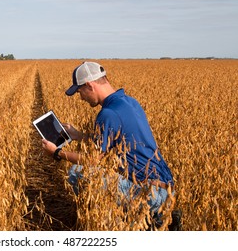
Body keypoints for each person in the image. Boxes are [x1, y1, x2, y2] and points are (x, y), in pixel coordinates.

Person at [41, 61, 178, 229]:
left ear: (90, 85)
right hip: (166, 190)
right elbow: (118, 140)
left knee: (77, 172)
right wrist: (79, 136)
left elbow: (92, 160)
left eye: (80, 91)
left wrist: (57, 152)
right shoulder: (129, 102)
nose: (81, 98)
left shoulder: (108, 114)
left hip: (148, 194)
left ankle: (104, 226)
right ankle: (151, 220)